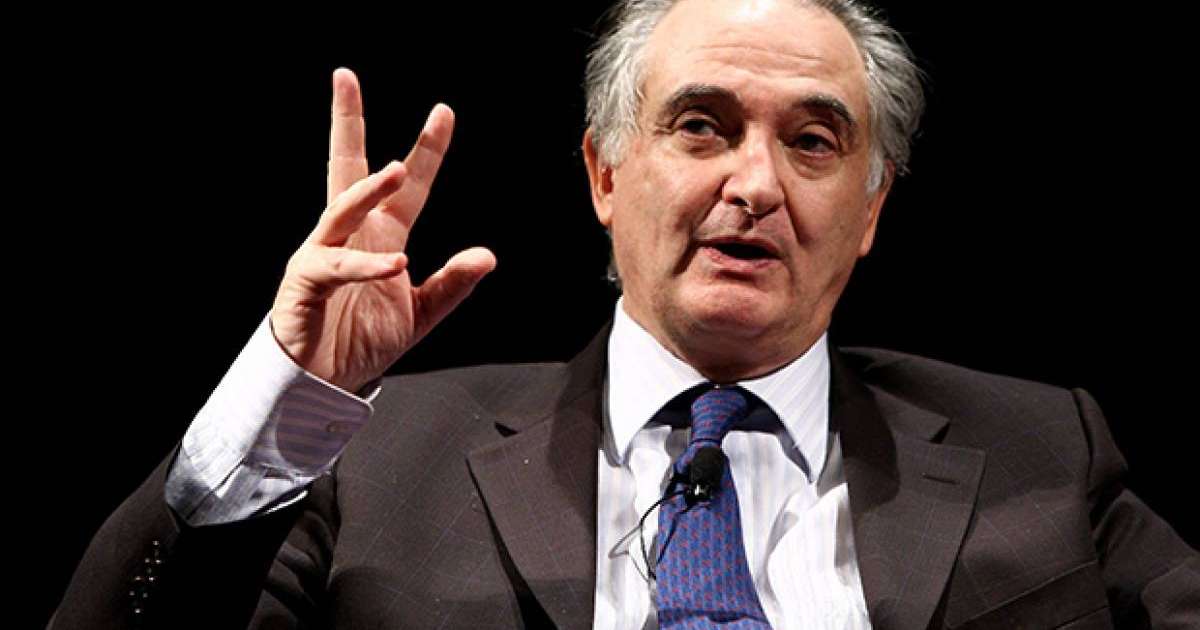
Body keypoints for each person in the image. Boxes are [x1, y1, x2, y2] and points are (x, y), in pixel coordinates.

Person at [52, 0, 1198, 628]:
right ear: (604, 174)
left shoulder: (1041, 449)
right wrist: (294, 400)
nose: (755, 184)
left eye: (813, 141)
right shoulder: (380, 455)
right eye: (702, 127)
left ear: (871, 209)